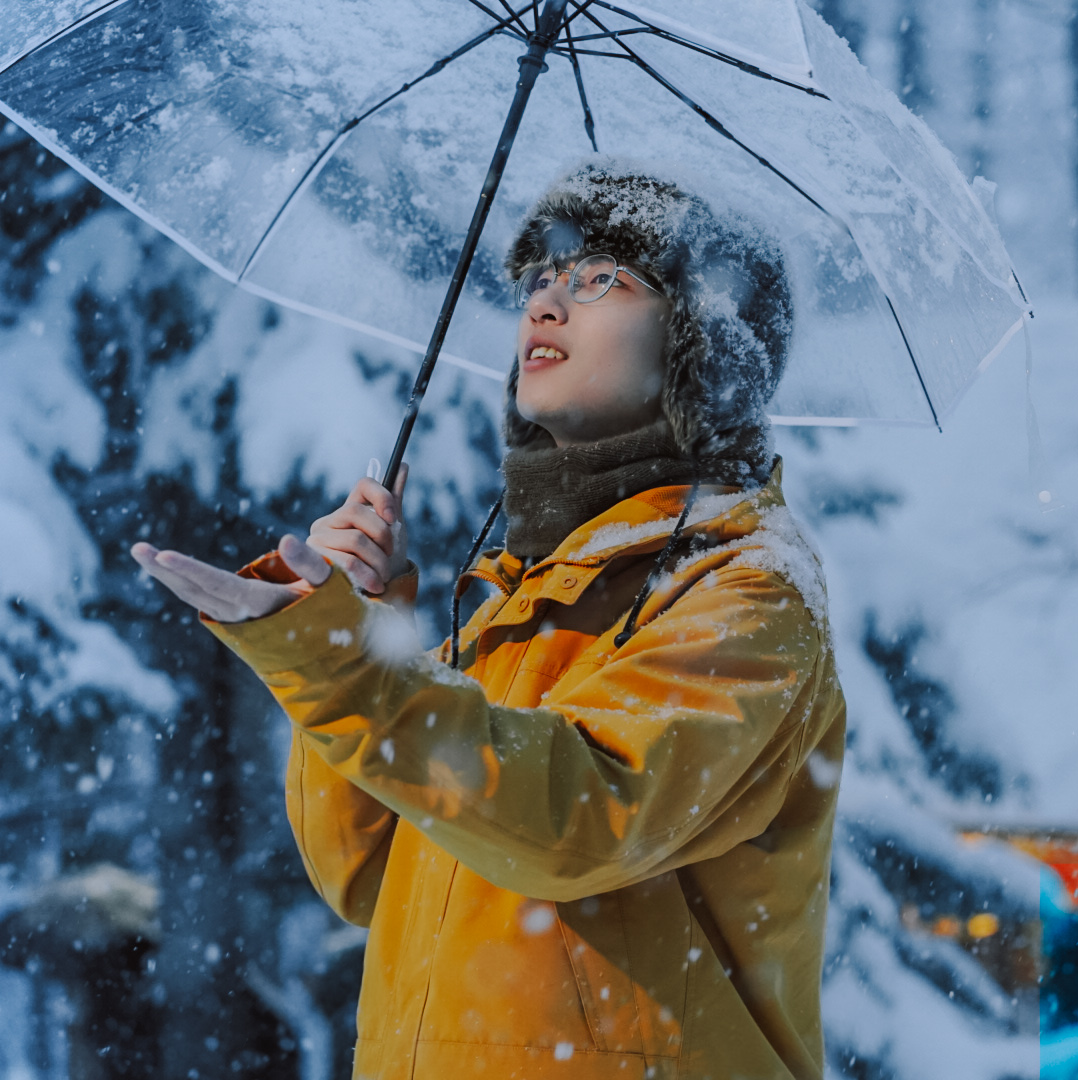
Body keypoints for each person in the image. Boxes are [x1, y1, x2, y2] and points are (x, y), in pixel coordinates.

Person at [130, 160, 846, 1080]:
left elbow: (578, 819)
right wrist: (354, 629)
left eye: (601, 281)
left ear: (702, 344)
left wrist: (347, 671)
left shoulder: (745, 587)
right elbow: (361, 874)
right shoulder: (519, 594)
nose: (545, 306)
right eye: (542, 279)